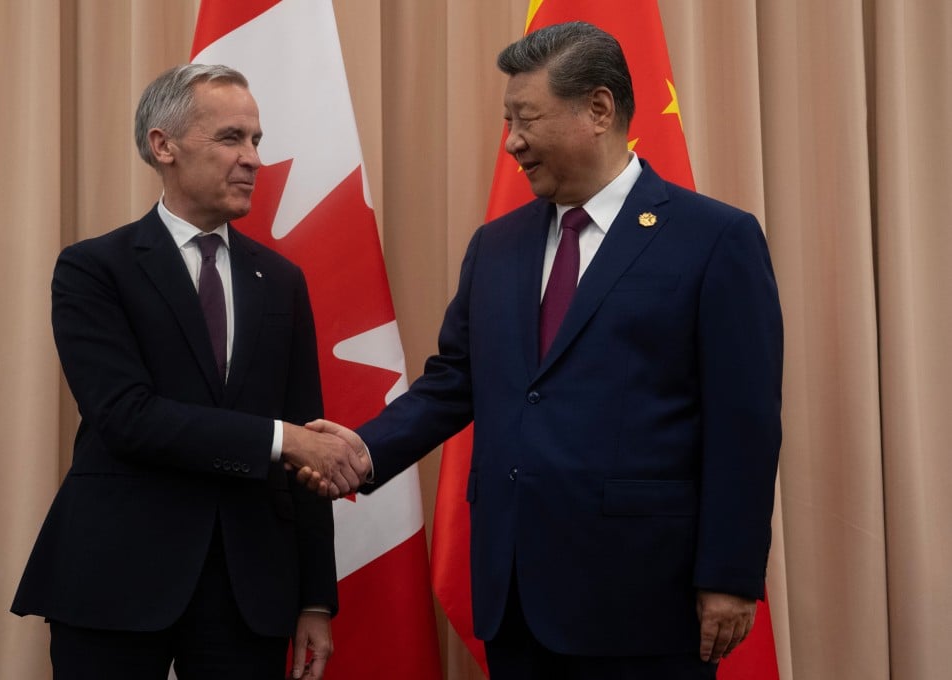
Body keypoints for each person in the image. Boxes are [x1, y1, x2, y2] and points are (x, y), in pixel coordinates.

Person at [304, 22, 782, 680]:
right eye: (507, 120)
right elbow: (455, 382)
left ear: (598, 110)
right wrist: (365, 451)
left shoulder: (712, 239)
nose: (512, 143)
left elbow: (744, 423)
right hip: (516, 596)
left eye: (525, 119)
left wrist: (729, 575)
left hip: (643, 598)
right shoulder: (497, 246)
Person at [11, 64, 370, 680]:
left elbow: (309, 446)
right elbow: (126, 417)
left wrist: (315, 597)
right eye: (232, 138)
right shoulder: (94, 269)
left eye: (256, 140)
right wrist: (282, 440)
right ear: (163, 145)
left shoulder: (281, 282)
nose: (254, 158)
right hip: (115, 578)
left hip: (247, 587)